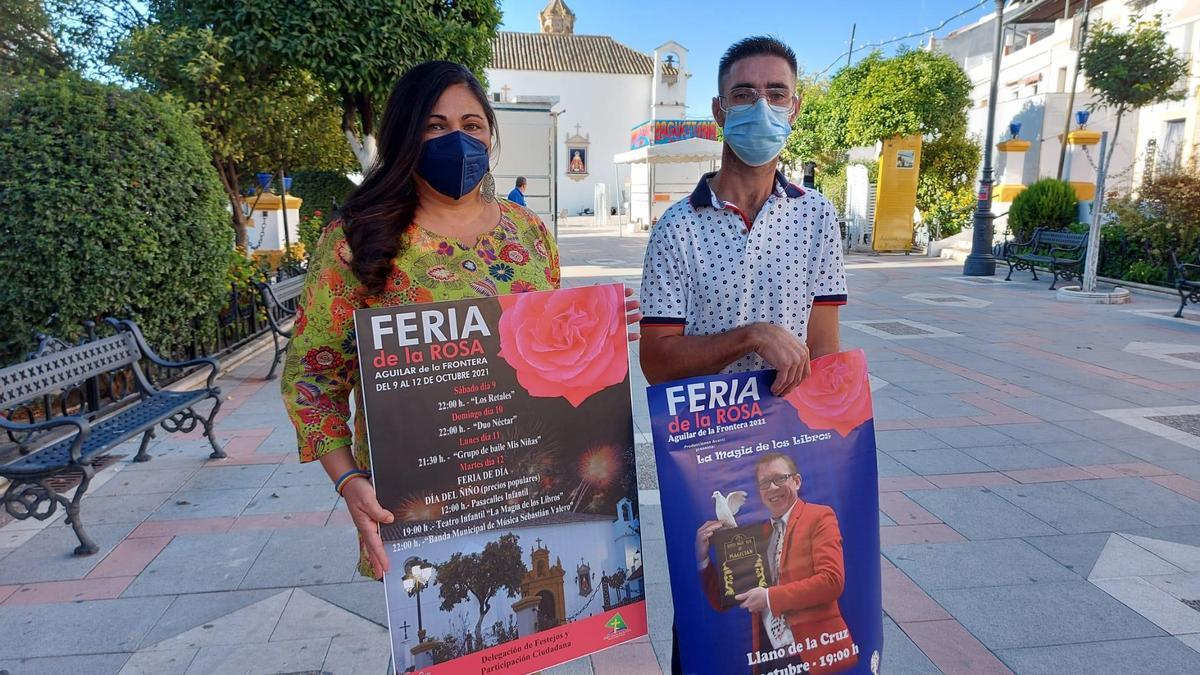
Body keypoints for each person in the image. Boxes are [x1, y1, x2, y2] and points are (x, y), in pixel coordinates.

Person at [280, 61, 639, 581]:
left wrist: (595, 334)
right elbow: (312, 378)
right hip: (421, 499)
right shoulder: (356, 240)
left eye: (471, 125)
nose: (457, 139)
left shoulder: (528, 234)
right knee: (437, 623)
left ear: (490, 134)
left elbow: (537, 360)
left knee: (530, 616)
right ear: (404, 135)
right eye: (435, 125)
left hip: (527, 486)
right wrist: (348, 480)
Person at [638, 36, 847, 673]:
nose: (761, 105)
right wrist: (752, 336)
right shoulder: (678, 227)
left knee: (793, 612)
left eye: (775, 92)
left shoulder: (818, 218)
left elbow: (826, 357)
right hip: (709, 453)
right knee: (715, 621)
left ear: (796, 106)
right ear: (719, 109)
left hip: (786, 452)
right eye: (744, 94)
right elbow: (656, 360)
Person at [696, 454, 855, 675]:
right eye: (764, 483)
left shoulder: (819, 516)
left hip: (814, 655)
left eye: (780, 478)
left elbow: (832, 581)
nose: (772, 487)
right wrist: (703, 558)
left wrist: (769, 597)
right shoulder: (757, 534)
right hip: (771, 658)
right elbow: (723, 600)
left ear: (797, 481)